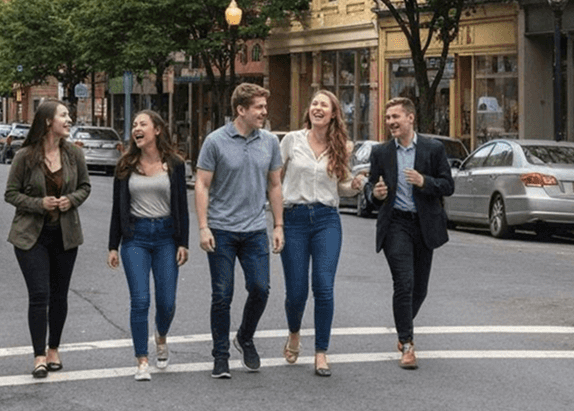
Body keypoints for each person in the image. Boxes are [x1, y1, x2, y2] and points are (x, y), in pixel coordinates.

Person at [194, 83, 283, 380]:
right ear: (241, 110)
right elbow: (202, 185)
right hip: (221, 229)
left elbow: (274, 185)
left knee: (260, 288)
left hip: (255, 228)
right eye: (258, 107)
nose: (264, 112)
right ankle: (220, 355)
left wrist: (278, 225)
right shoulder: (215, 141)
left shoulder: (269, 142)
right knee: (222, 294)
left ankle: (244, 337)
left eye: (264, 107)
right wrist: (203, 226)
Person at [278, 90, 365, 377]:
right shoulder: (292, 140)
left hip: (327, 219)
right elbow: (275, 181)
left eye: (323, 105)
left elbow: (340, 185)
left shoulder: (342, 146)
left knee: (324, 287)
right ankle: (294, 333)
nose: (317, 108)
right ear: (309, 111)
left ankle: (321, 352)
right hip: (295, 218)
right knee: (296, 291)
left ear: (333, 114)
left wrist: (355, 185)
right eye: (314, 103)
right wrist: (277, 221)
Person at [365, 96, 454, 370]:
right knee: (403, 282)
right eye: (388, 117)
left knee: (420, 289)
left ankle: (403, 324)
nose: (391, 122)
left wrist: (424, 181)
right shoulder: (381, 152)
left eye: (396, 117)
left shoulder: (432, 148)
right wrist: (376, 194)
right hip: (395, 224)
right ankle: (407, 343)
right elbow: (371, 189)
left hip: (424, 225)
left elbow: (448, 185)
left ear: (410, 118)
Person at [5, 100, 91, 378]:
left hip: (65, 236)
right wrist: (39, 203)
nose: (69, 119)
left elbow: (85, 187)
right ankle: (39, 355)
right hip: (31, 237)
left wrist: (71, 200)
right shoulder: (25, 156)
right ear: (47, 122)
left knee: (59, 295)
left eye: (68, 115)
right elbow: (11, 194)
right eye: (63, 115)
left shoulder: (74, 155)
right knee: (39, 294)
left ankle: (54, 348)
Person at [107, 110, 190, 381]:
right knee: (140, 300)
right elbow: (116, 209)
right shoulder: (125, 165)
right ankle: (141, 359)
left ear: (157, 130)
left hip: (166, 236)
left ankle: (161, 335)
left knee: (167, 302)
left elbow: (182, 207)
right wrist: (112, 246)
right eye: (134, 125)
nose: (136, 129)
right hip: (136, 238)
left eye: (143, 124)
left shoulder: (175, 165)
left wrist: (183, 242)